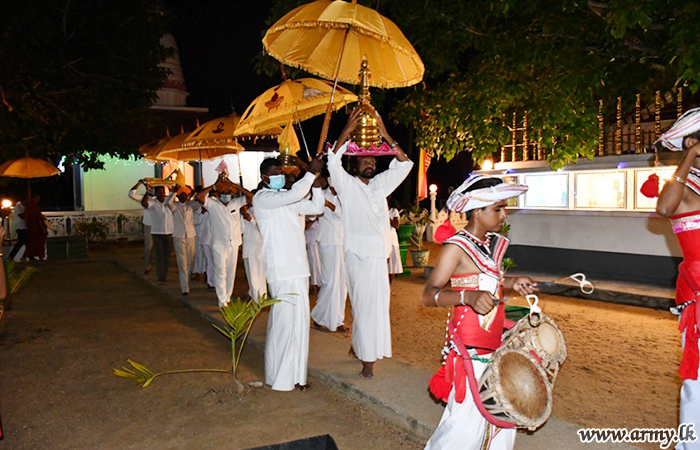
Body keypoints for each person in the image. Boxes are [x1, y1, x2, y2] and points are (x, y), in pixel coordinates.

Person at [420, 175, 535, 450]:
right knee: (463, 427)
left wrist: (512, 282)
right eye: (497, 209)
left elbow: (490, 282)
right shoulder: (456, 247)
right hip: (469, 349)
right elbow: (428, 294)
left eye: (503, 208)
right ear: (477, 210)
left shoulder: (491, 245)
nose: (504, 215)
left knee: (501, 417)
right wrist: (466, 297)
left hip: (495, 344)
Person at [328, 108, 413, 378]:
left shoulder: (379, 186)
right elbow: (332, 162)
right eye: (364, 159)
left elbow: (405, 163)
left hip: (379, 256)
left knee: (378, 308)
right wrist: (345, 132)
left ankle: (360, 347)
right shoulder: (346, 185)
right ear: (353, 164)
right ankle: (367, 359)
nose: (370, 163)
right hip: (358, 256)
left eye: (373, 160)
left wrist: (386, 135)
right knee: (365, 307)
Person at [253, 156, 325, 391]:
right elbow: (294, 194)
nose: (280, 175)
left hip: (299, 269)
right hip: (282, 270)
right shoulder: (263, 198)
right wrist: (310, 173)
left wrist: (316, 186)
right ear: (264, 178)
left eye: (281, 172)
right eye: (275, 172)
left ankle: (297, 377)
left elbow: (316, 207)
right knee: (284, 324)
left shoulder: (285, 198)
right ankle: (279, 379)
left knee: (299, 324)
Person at [655, 107, 700, 450]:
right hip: (697, 294)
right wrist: (688, 158)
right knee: (697, 385)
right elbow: (663, 208)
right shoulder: (685, 188)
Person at [196, 176, 253, 307]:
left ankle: (227, 297)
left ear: (232, 194)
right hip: (218, 244)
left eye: (228, 193)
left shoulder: (236, 203)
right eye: (223, 193)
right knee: (220, 272)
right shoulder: (212, 204)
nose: (226, 195)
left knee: (231, 272)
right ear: (219, 194)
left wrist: (236, 186)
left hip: (234, 243)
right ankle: (222, 301)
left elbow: (252, 197)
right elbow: (199, 196)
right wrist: (213, 185)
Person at [311, 176, 347, 332]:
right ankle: (318, 316)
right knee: (330, 282)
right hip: (328, 242)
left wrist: (331, 205)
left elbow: (343, 214)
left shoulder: (344, 196)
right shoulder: (322, 195)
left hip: (343, 242)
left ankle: (338, 320)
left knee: (342, 284)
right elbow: (313, 214)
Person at [141, 185, 175, 284]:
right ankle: (161, 277)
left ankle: (164, 274)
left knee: (167, 256)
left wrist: (174, 192)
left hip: (168, 232)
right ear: (155, 193)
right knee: (159, 256)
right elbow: (144, 203)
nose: (161, 194)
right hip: (157, 233)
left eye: (162, 192)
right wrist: (147, 192)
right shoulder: (153, 203)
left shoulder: (168, 202)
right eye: (159, 192)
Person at [170, 186, 200, 296]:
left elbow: (200, 201)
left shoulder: (191, 206)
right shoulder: (174, 206)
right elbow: (168, 202)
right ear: (178, 196)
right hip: (179, 236)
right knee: (182, 263)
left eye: (185, 194)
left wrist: (192, 193)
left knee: (190, 262)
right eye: (181, 194)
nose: (183, 196)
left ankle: (187, 282)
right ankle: (185, 288)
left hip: (191, 236)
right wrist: (174, 192)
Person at [241, 203, 267, 301]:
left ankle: (259, 299)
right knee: (251, 276)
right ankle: (254, 296)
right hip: (248, 248)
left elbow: (263, 228)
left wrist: (250, 219)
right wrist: (242, 216)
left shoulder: (261, 212)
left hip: (258, 248)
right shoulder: (245, 213)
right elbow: (241, 230)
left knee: (258, 275)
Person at [128, 180, 154, 274]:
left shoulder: (160, 198)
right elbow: (131, 194)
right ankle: (148, 266)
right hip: (149, 225)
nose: (152, 189)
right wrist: (139, 183)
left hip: (161, 225)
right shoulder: (144, 197)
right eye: (150, 187)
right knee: (148, 247)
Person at [193, 203, 214, 288]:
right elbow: (196, 221)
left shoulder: (215, 211)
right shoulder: (198, 211)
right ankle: (210, 282)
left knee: (215, 262)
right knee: (209, 261)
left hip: (215, 240)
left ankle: (214, 281)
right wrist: (202, 213)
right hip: (204, 240)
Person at [23, 194, 48, 261]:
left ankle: (30, 256)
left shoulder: (29, 206)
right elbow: (37, 218)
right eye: (37, 199)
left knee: (31, 243)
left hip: (31, 227)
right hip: (35, 228)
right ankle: (40, 257)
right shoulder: (33, 206)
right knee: (37, 243)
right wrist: (42, 227)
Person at [387, 197, 403, 282]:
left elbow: (396, 225)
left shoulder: (393, 211)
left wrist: (387, 218)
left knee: (391, 266)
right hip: (382, 239)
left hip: (391, 239)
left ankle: (389, 286)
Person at [305, 216, 322, 294]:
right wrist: (314, 219)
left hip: (318, 239)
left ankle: (320, 285)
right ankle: (314, 285)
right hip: (310, 240)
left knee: (319, 264)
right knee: (313, 264)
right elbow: (305, 226)